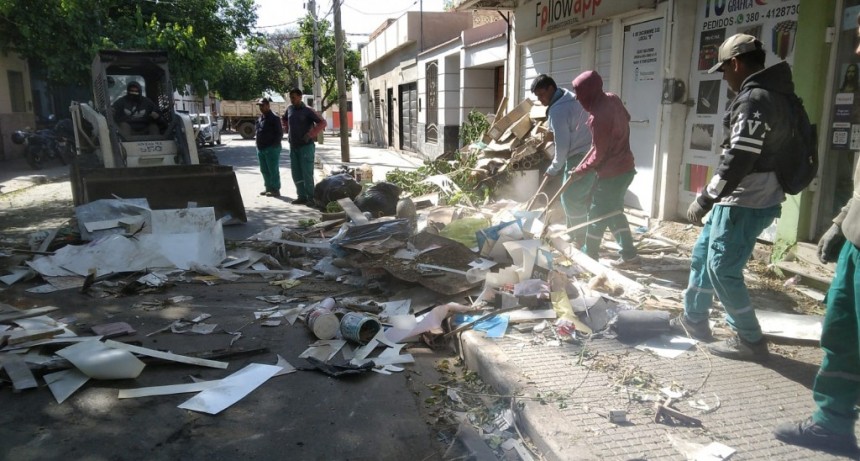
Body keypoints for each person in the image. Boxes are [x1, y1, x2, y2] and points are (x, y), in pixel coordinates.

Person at [669, 34, 795, 361]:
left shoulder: (755, 99)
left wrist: (706, 198)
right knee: (702, 257)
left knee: (723, 269)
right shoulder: (774, 95)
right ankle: (695, 319)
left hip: (746, 199)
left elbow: (739, 156)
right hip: (738, 198)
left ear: (735, 63)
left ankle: (749, 338)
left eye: (724, 71)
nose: (724, 78)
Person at [772, 20, 860, 458]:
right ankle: (832, 425)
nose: (857, 51)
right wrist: (842, 221)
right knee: (841, 336)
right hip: (858, 246)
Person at [569, 70, 639, 267]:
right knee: (614, 213)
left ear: (589, 93)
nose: (577, 98)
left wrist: (580, 171)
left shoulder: (599, 117)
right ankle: (629, 255)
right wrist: (614, 133)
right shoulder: (612, 98)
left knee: (596, 215)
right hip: (626, 168)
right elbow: (627, 116)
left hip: (612, 173)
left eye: (579, 93)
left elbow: (599, 155)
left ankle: (588, 256)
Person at [530, 74, 594, 248]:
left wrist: (553, 168)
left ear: (551, 88)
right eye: (537, 96)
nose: (540, 99)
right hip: (589, 151)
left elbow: (562, 146)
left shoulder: (558, 110)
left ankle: (581, 238)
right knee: (575, 198)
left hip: (580, 155)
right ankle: (575, 235)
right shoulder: (565, 96)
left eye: (542, 95)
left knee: (571, 198)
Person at [282, 88, 326, 206]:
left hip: (306, 147)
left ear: (300, 97)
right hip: (293, 146)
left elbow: (322, 123)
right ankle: (301, 196)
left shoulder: (308, 111)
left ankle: (310, 198)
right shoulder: (289, 109)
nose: (292, 100)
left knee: (307, 173)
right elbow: (284, 119)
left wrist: (311, 134)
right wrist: (287, 129)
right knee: (296, 173)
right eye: (291, 98)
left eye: (294, 97)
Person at [254, 97, 284, 197]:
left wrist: (273, 146)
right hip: (261, 149)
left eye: (263, 105)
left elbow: (279, 133)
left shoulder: (274, 117)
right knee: (264, 170)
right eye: (260, 106)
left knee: (273, 170)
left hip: (271, 149)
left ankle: (275, 189)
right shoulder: (260, 118)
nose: (261, 108)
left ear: (268, 105)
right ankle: (268, 188)